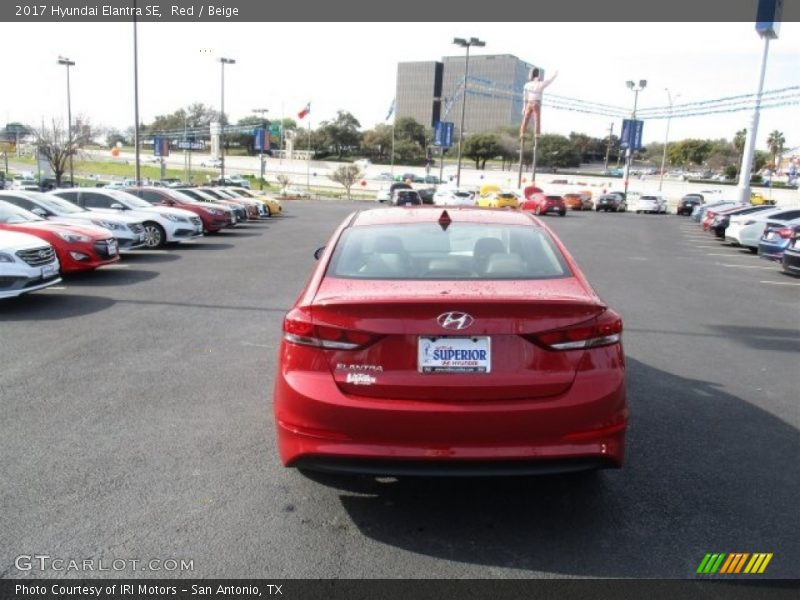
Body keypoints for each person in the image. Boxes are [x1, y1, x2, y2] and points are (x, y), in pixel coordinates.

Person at [520, 68, 558, 139]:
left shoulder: (527, 85)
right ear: (538, 75)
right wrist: (555, 75)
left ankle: (522, 133)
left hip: (529, 103)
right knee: (537, 119)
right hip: (536, 103)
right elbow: (549, 81)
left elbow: (525, 97)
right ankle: (537, 135)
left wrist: (524, 107)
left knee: (525, 119)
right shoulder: (540, 84)